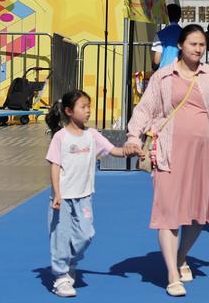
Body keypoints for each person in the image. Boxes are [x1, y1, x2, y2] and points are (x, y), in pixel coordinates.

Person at [124, 25, 209, 297]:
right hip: (169, 152)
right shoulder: (163, 76)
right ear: (180, 45)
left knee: (198, 214)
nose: (198, 49)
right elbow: (144, 109)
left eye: (202, 45)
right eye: (193, 44)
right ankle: (172, 276)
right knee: (168, 213)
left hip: (203, 154)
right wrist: (133, 137)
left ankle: (180, 255)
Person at [45, 90, 128, 298]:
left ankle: (70, 262)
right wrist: (56, 193)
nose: (88, 110)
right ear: (69, 111)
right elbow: (55, 166)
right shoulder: (60, 137)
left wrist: (129, 150)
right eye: (83, 107)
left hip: (84, 196)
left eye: (89, 106)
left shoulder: (92, 135)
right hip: (63, 198)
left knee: (86, 234)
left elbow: (113, 150)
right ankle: (61, 277)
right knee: (60, 237)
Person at [151, 3, 183, 71]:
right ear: (179, 17)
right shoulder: (186, 34)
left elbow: (156, 61)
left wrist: (154, 67)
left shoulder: (160, 34)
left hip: (164, 73)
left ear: (166, 15)